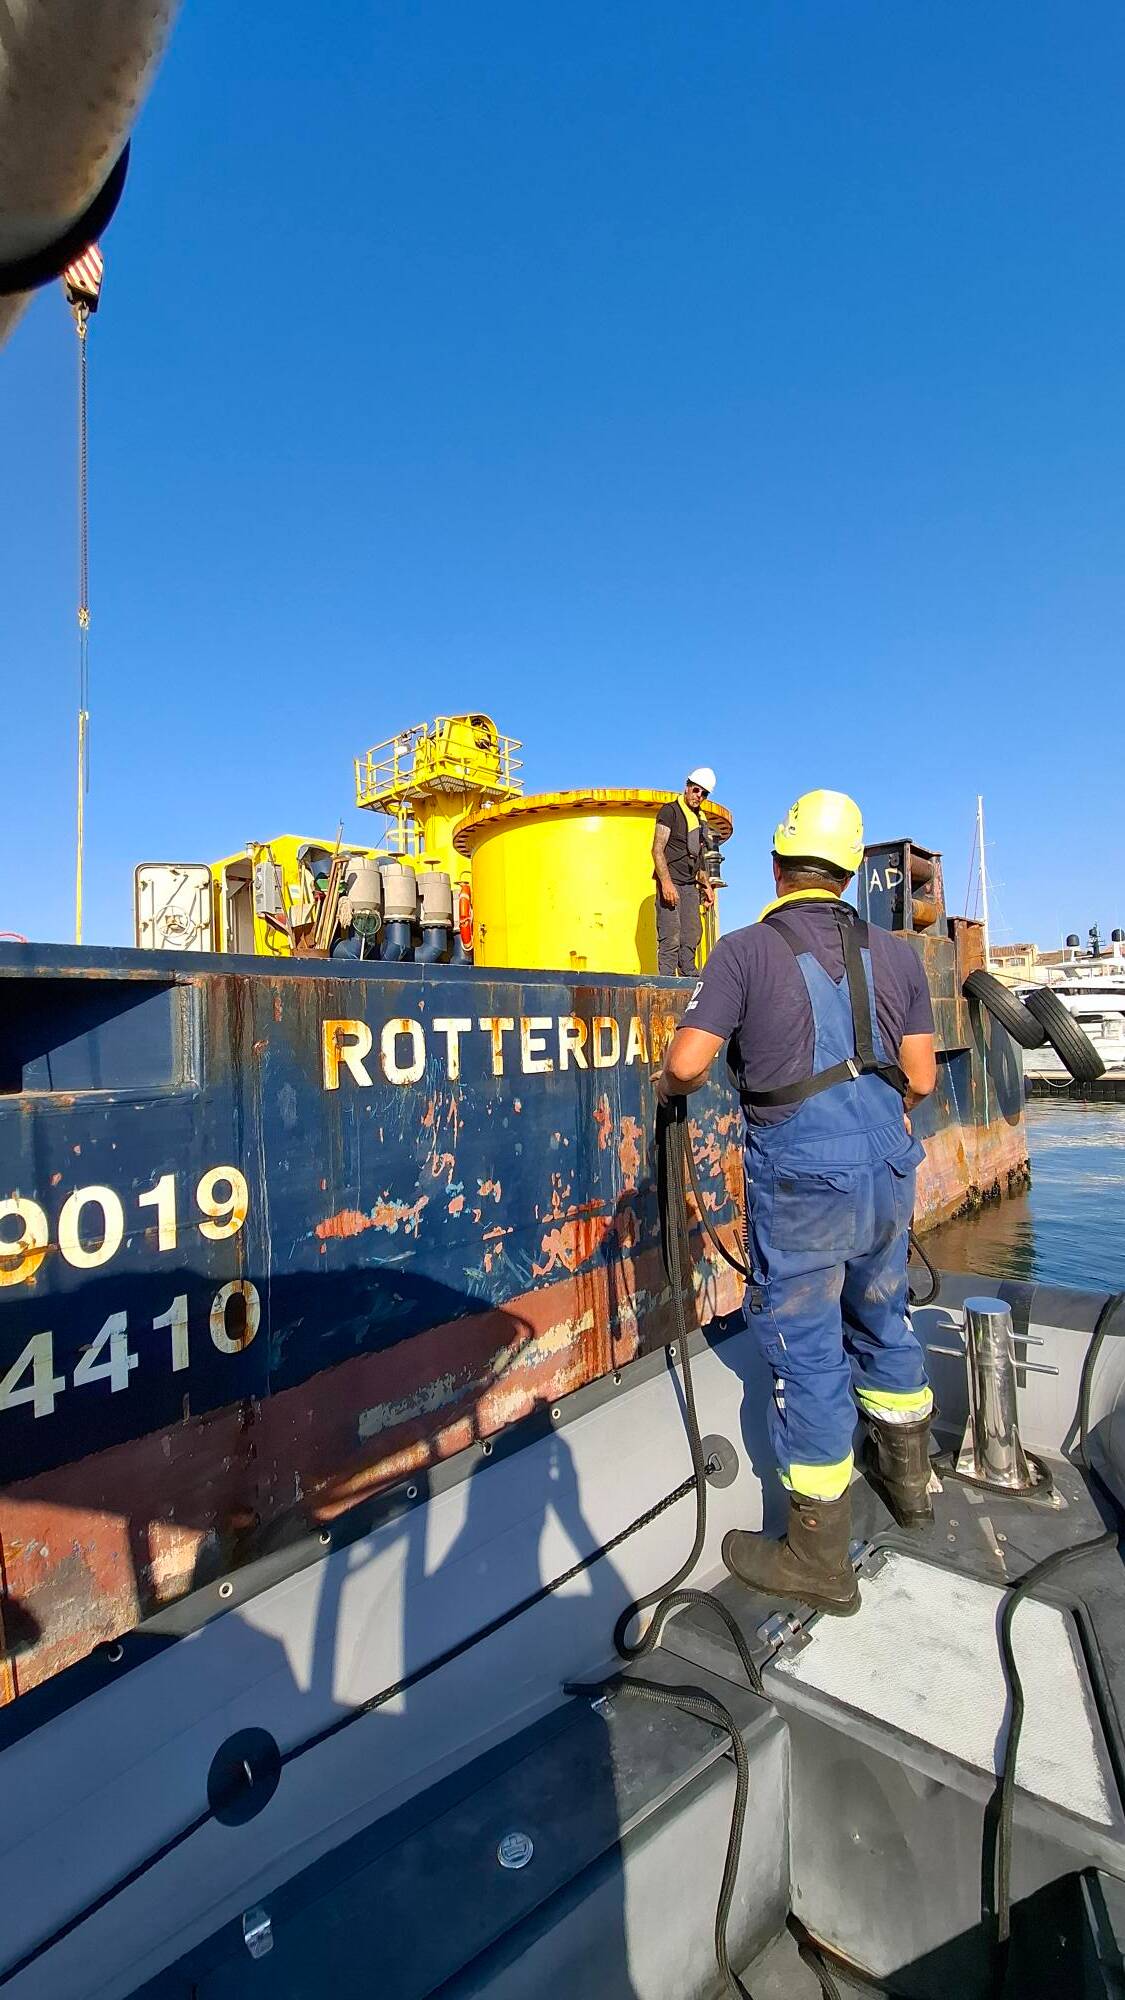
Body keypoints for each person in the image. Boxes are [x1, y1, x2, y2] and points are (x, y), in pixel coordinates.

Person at [654, 789, 937, 1616]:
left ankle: (816, 1557)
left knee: (807, 1351)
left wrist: (666, 1084)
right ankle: (909, 1486)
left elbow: (689, 1062)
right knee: (884, 1316)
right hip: (888, 1165)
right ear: (847, 874)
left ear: (777, 866)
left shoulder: (744, 950)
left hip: (803, 1178)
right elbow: (921, 1079)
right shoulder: (897, 956)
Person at [652, 767, 717, 977]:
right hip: (671, 881)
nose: (699, 796)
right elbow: (657, 850)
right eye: (696, 790)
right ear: (687, 787)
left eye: (704, 794)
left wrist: (707, 887)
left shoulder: (700, 820)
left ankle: (689, 978)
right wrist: (666, 884)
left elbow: (699, 858)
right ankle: (666, 981)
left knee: (692, 933)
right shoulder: (669, 811)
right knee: (670, 934)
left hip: (690, 885)